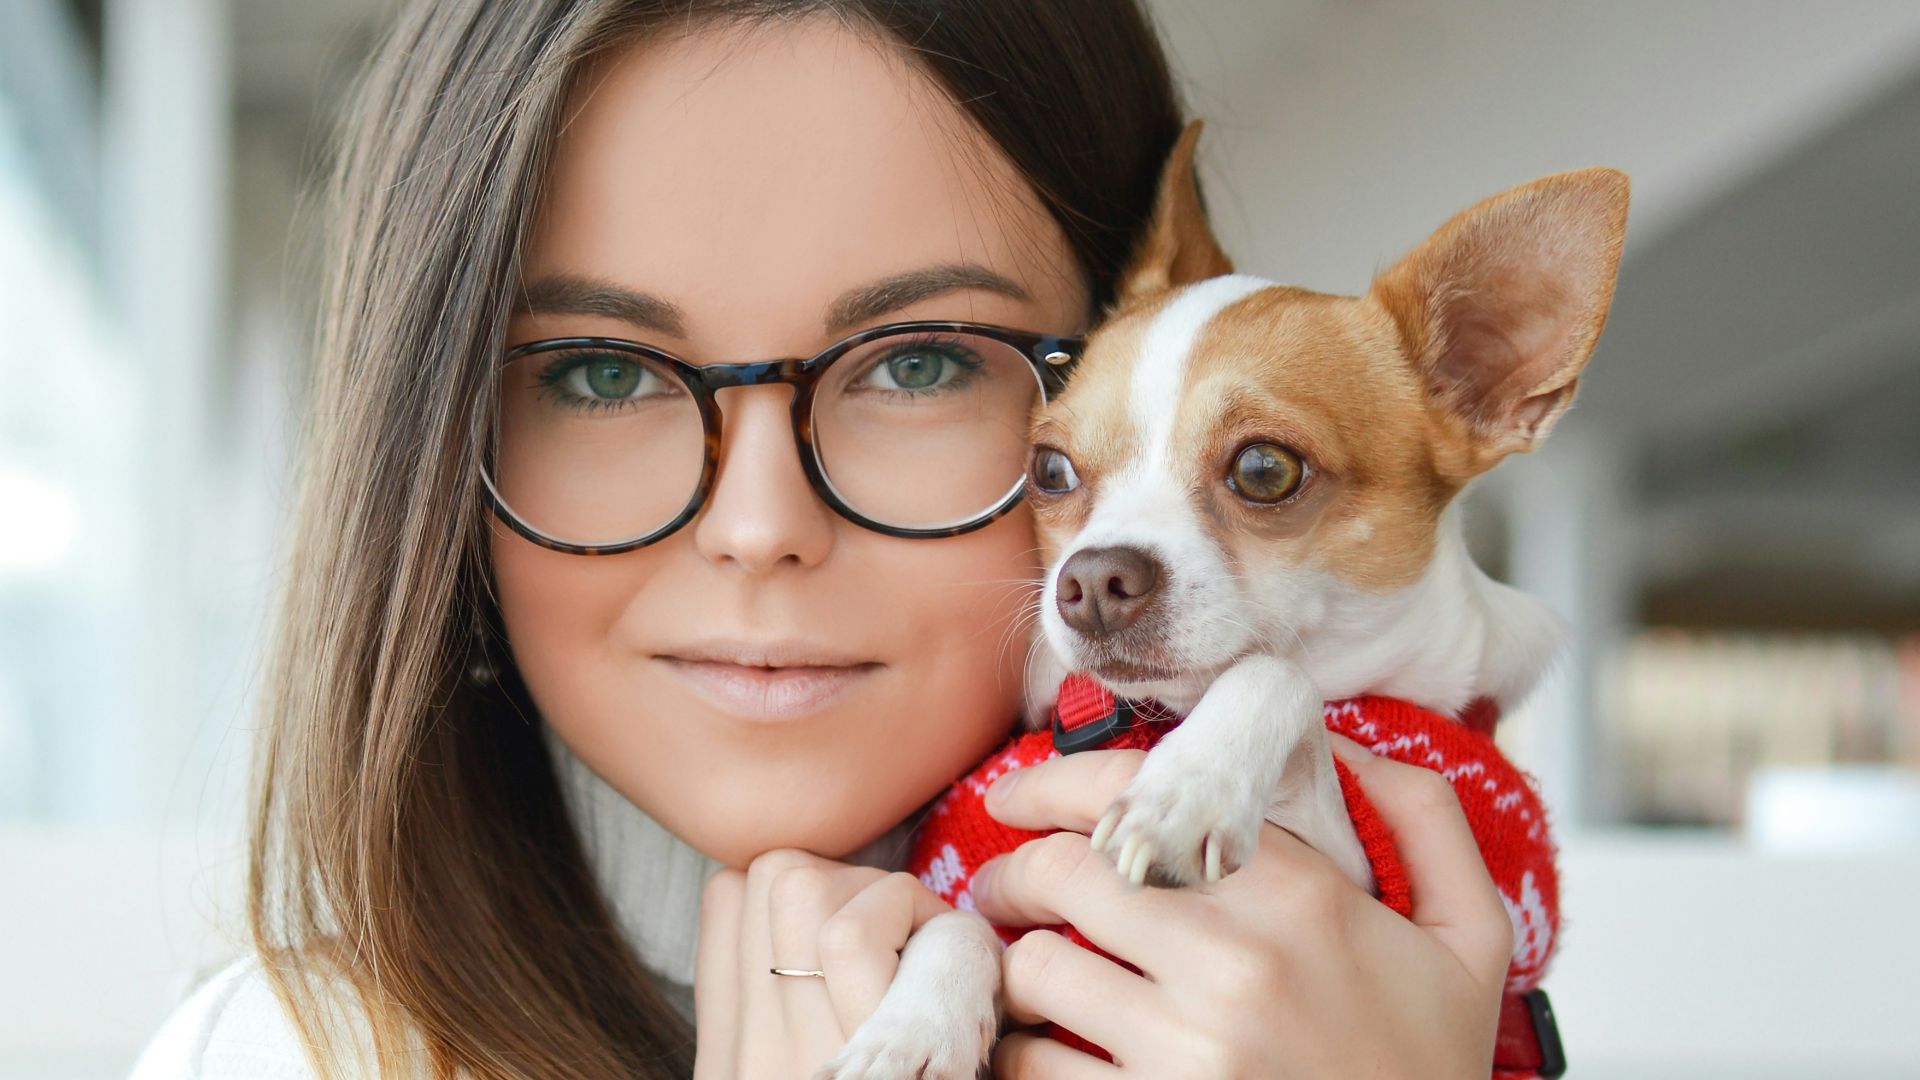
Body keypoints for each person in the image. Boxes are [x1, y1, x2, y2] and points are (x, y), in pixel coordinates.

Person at [130, 1, 1516, 1077]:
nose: (759, 529)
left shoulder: (1415, 992)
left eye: (916, 364)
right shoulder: (274, 1059)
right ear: (429, 438)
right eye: (600, 372)